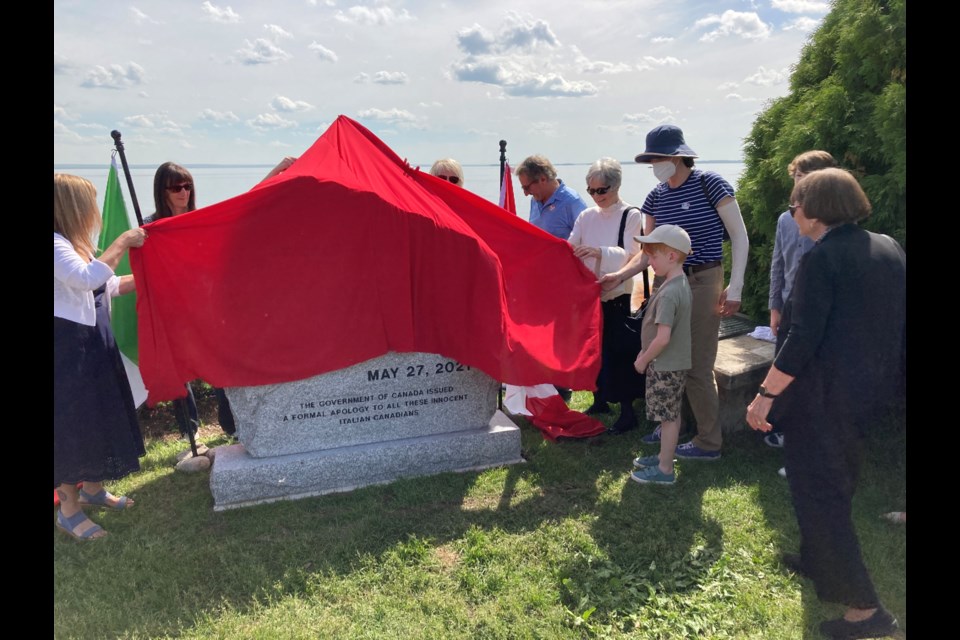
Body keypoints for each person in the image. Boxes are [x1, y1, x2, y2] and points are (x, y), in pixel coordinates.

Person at [746, 168, 904, 639]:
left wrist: (764, 396)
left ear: (814, 210)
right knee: (829, 484)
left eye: (795, 204)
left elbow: (802, 338)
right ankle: (816, 560)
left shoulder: (822, 258)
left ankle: (866, 611)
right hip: (865, 392)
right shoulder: (887, 246)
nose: (791, 212)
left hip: (822, 397)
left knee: (822, 496)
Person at [601, 125, 749, 460]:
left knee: (697, 364)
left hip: (703, 279)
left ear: (677, 156)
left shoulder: (710, 184)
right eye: (650, 158)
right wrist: (619, 275)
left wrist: (735, 285)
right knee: (666, 358)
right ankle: (673, 425)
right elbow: (647, 252)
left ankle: (709, 441)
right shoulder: (655, 196)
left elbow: (739, 236)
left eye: (657, 157)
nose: (653, 164)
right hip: (670, 284)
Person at [147, 158, 297, 442]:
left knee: (219, 366)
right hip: (172, 310)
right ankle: (189, 435)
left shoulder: (198, 220)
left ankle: (230, 424)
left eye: (187, 186)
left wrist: (274, 173)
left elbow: (241, 210)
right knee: (179, 372)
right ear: (162, 191)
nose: (183, 192)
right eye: (175, 187)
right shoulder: (151, 228)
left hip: (207, 308)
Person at [54, 174, 148, 540]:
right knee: (72, 425)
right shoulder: (56, 244)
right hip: (68, 351)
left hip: (92, 347)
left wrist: (149, 276)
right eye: (88, 203)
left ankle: (92, 489)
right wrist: (124, 240)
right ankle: (68, 509)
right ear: (74, 206)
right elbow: (86, 279)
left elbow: (109, 284)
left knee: (95, 416)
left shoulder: (77, 245)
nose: (94, 211)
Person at [764, 150, 838, 456]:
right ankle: (787, 430)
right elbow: (778, 264)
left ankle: (812, 440)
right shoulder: (785, 219)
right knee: (786, 372)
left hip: (820, 311)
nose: (798, 185)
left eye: (805, 179)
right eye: (796, 178)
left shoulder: (834, 222)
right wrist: (774, 306)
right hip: (789, 306)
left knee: (814, 377)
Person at [567, 158, 644, 433]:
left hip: (618, 293)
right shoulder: (586, 216)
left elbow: (634, 255)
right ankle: (599, 399)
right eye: (591, 191)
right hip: (591, 294)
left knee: (619, 350)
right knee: (595, 350)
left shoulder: (631, 215)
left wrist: (600, 252)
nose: (597, 196)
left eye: (602, 190)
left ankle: (627, 412)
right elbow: (570, 247)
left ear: (616, 185)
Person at [627, 226, 692, 485]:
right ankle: (665, 456)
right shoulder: (679, 283)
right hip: (672, 363)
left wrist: (643, 359)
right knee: (671, 416)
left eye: (653, 257)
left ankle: (665, 470)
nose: (649, 262)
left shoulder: (669, 293)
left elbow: (663, 338)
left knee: (668, 418)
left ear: (672, 257)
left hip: (664, 365)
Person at [515, 155, 588, 241]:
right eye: (523, 188)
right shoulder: (535, 201)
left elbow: (589, 239)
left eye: (527, 188)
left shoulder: (572, 202)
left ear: (543, 179)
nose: (526, 193)